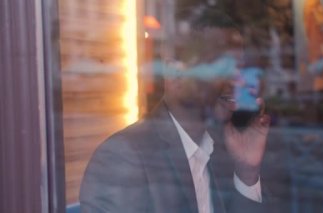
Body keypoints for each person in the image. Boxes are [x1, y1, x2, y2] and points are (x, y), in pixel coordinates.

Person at [80, 8, 273, 213]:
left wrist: (247, 173)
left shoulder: (224, 152)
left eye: (239, 67)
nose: (237, 79)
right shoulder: (123, 158)